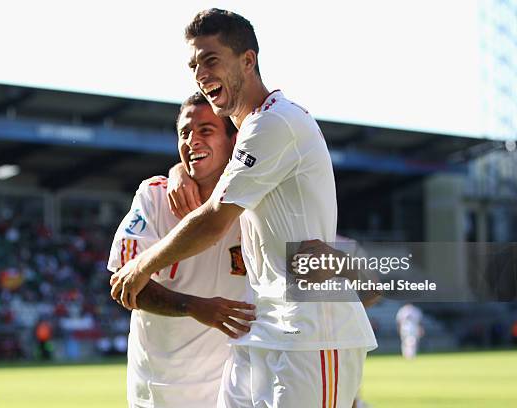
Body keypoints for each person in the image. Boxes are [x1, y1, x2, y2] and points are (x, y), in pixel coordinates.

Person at [111, 9, 377, 407]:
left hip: (309, 332)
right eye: (194, 64)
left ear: (248, 60)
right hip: (261, 329)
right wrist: (181, 170)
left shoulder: (275, 123)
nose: (200, 73)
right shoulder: (251, 134)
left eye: (211, 60)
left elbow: (215, 219)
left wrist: (142, 264)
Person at [108, 93, 255, 408]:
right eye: (185, 133)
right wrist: (194, 306)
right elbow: (126, 286)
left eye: (206, 130)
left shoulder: (254, 207)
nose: (192, 141)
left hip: (228, 392)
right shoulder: (154, 197)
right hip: (157, 390)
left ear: (233, 141)